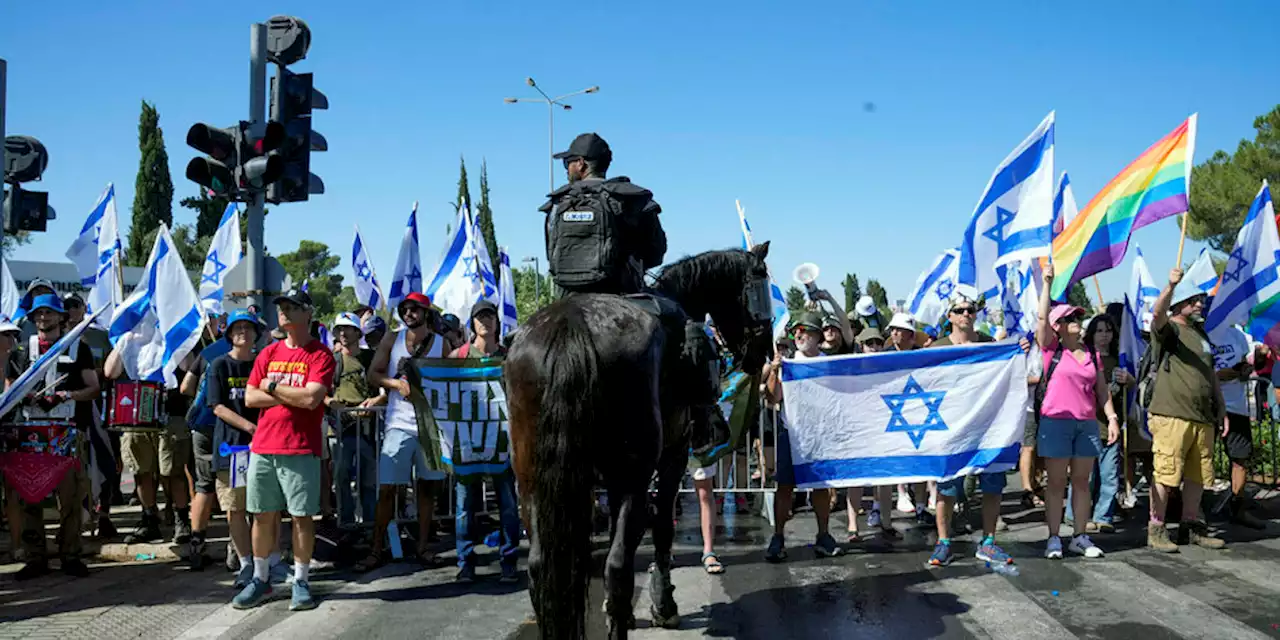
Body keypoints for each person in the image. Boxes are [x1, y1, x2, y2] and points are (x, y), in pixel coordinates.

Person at [540, 131, 725, 458]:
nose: (567, 167)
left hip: (565, 299)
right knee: (690, 331)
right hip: (625, 297)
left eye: (569, 161)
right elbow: (656, 252)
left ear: (582, 164)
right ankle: (704, 416)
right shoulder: (631, 197)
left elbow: (552, 256)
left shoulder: (557, 202)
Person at [233, 290, 335, 611]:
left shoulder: (320, 355)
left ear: (308, 314)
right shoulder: (268, 352)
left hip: (301, 447)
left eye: (292, 308)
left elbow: (311, 399)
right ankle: (261, 578)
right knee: (262, 516)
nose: (284, 313)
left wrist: (273, 387)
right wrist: (292, 394)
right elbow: (250, 398)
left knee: (302, 517)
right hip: (264, 445)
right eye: (281, 308)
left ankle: (301, 581)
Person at [926, 296, 1028, 568]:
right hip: (950, 431)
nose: (966, 314)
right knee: (946, 490)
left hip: (986, 430)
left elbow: (1007, 374)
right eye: (959, 310)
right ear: (949, 316)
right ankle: (944, 543)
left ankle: (988, 542)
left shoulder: (989, 344)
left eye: (971, 310)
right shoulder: (936, 348)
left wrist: (1019, 352)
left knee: (992, 486)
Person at [8, 295, 99, 579]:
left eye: (48, 313)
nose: (43, 319)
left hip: (65, 429)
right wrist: (25, 396)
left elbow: (93, 387)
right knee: (28, 496)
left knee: (71, 497)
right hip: (30, 430)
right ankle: (36, 556)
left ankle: (70, 554)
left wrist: (65, 395)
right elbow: (10, 389)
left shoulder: (78, 348)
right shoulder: (21, 350)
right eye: (38, 314)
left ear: (61, 316)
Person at [358, 292, 448, 571]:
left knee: (426, 488)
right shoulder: (392, 339)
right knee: (387, 489)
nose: (408, 313)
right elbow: (372, 374)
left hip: (430, 426)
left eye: (414, 309)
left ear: (425, 312)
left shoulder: (442, 344)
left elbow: (453, 380)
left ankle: (423, 547)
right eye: (404, 309)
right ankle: (376, 549)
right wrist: (396, 385)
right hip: (398, 423)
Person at [1035, 265, 1117, 560]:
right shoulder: (1050, 350)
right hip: (1056, 423)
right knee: (1056, 483)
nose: (1077, 321)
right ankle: (1054, 537)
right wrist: (1047, 283)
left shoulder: (1092, 354)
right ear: (1058, 326)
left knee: (1082, 482)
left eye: (1078, 317)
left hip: (1085, 424)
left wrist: (1112, 418)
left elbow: (1102, 390)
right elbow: (1042, 317)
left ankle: (1080, 536)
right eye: (1070, 318)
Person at [1144, 268, 1226, 552]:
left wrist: (1221, 406)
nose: (1201, 303)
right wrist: (1169, 285)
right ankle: (1156, 528)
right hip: (1171, 415)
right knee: (1166, 473)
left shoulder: (1200, 333)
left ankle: (1190, 527)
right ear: (1180, 303)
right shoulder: (1170, 331)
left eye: (1201, 299)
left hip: (1202, 417)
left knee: (1198, 475)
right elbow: (1157, 316)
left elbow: (1210, 371)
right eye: (1194, 299)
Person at [448, 300, 521, 583]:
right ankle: (465, 563)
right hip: (467, 440)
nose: (485, 322)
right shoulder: (458, 356)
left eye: (489, 316)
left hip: (502, 441)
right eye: (480, 317)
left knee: (507, 504)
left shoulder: (510, 356)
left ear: (496, 322)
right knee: (465, 506)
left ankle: (509, 561)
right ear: (472, 323)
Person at [763, 312, 844, 561]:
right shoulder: (788, 363)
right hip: (793, 433)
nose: (798, 335)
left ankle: (823, 535)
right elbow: (772, 399)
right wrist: (775, 372)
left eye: (805, 331)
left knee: (820, 486)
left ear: (818, 337)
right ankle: (778, 537)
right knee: (785, 487)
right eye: (796, 331)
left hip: (819, 434)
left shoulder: (828, 363)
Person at [192, 310, 264, 582]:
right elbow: (217, 406)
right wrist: (250, 428)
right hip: (232, 449)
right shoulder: (219, 365)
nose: (243, 332)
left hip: (262, 449)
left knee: (262, 508)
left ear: (257, 333)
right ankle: (245, 563)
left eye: (248, 327)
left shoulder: (261, 365)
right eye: (237, 328)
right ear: (229, 334)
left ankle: (263, 562)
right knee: (235, 509)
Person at [1066, 315, 1131, 533]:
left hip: (1110, 428)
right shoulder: (1083, 358)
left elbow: (1128, 393)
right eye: (1100, 331)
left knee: (1109, 475)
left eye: (1109, 331)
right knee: (1085, 476)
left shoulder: (1118, 360)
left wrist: (1128, 381)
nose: (1104, 336)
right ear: (1092, 333)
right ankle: (1073, 514)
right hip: (1086, 425)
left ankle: (1104, 515)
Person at [327, 312, 382, 527]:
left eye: (347, 328)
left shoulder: (372, 359)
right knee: (341, 480)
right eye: (339, 329)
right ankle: (346, 524)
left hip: (369, 428)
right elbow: (322, 391)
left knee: (368, 480)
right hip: (341, 428)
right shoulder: (333, 361)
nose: (343, 333)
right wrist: (331, 402)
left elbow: (386, 388)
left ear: (358, 333)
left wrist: (376, 401)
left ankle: (370, 525)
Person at [1211, 324, 1267, 529]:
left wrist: (1252, 363)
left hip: (1237, 406)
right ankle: (1192, 513)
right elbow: (1208, 373)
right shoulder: (1203, 333)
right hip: (1209, 405)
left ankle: (1238, 508)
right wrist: (1232, 372)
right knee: (1200, 458)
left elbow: (1247, 362)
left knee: (1240, 458)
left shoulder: (1237, 333)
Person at [884, 312, 937, 525]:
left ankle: (922, 505)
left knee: (921, 459)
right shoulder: (884, 356)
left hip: (918, 412)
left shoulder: (921, 356)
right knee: (898, 457)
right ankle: (902, 493)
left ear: (910, 334)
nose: (894, 333)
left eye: (899, 330)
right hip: (893, 411)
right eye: (893, 330)